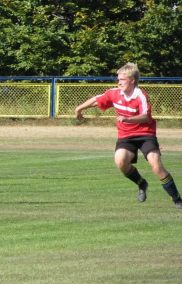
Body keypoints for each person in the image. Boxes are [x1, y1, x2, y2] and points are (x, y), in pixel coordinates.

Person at [75, 63, 181, 209]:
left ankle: (177, 200)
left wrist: (128, 119)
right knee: (120, 162)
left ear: (132, 81)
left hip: (145, 134)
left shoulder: (140, 95)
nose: (119, 82)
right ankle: (141, 183)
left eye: (122, 80)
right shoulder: (114, 93)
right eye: (118, 79)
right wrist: (79, 109)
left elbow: (146, 116)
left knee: (156, 165)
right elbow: (96, 100)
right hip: (126, 135)